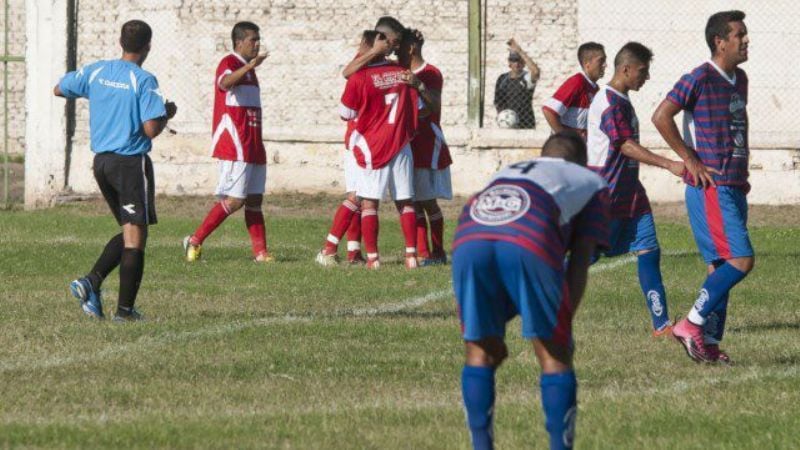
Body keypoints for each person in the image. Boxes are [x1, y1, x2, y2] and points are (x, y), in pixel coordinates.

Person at [453, 131, 609, 450]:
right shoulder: (592, 180)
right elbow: (580, 257)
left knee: (479, 352)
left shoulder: (509, 169)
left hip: (469, 234)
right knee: (555, 354)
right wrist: (563, 328)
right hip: (529, 233)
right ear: (581, 161)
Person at [55, 20, 176, 321]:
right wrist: (166, 115)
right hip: (129, 163)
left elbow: (59, 89)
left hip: (102, 164)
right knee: (135, 236)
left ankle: (93, 287)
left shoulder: (96, 71)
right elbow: (150, 128)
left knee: (130, 230)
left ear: (120, 41)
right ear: (148, 46)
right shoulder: (144, 80)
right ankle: (122, 309)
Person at [652, 10, 753, 364]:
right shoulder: (699, 77)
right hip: (712, 186)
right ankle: (690, 323)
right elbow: (661, 116)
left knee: (720, 267)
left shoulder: (739, 79)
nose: (746, 39)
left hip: (735, 184)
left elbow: (735, 129)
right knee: (740, 260)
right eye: (739, 34)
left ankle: (707, 343)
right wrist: (689, 159)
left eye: (745, 33)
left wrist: (742, 171)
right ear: (719, 42)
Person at [586, 42, 685, 337]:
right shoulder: (607, 101)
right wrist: (668, 164)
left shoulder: (622, 100)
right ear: (625, 69)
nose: (647, 77)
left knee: (649, 251)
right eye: (643, 71)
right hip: (605, 195)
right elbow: (625, 145)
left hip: (631, 195)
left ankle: (661, 324)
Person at [183, 22, 272, 263]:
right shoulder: (229, 63)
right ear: (239, 42)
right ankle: (195, 239)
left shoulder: (249, 69)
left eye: (258, 39)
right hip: (236, 142)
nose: (257, 43)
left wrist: (251, 67)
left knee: (255, 200)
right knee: (235, 201)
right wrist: (250, 66)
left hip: (254, 142)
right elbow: (224, 83)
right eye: (253, 39)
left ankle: (261, 253)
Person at [339, 29, 427, 269]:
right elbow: (418, 107)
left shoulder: (359, 76)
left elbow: (346, 114)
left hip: (373, 146)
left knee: (369, 203)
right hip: (401, 145)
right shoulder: (403, 74)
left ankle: (373, 258)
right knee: (405, 202)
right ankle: (411, 256)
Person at [316, 30, 385, 266]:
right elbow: (347, 73)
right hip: (359, 142)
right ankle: (328, 249)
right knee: (358, 196)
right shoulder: (362, 62)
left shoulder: (382, 66)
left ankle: (353, 252)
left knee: (362, 197)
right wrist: (373, 52)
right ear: (369, 44)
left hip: (372, 142)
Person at [397, 29, 453, 266]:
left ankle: (438, 252)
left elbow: (432, 106)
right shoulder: (397, 72)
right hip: (405, 144)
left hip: (427, 143)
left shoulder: (430, 73)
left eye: (399, 46)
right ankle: (423, 252)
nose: (394, 51)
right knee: (412, 200)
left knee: (427, 200)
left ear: (410, 48)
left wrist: (418, 85)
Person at [542, 42, 606, 138]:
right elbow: (549, 111)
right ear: (587, 64)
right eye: (601, 61)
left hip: (580, 148)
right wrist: (565, 139)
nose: (605, 65)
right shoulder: (577, 82)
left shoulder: (595, 89)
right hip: (565, 150)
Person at [494, 38, 540, 129]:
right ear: (509, 63)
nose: (516, 64)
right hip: (507, 123)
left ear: (523, 63)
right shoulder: (503, 79)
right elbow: (498, 101)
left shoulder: (526, 78)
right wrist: (504, 119)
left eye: (519, 61)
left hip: (525, 123)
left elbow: (535, 72)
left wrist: (520, 51)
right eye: (514, 60)